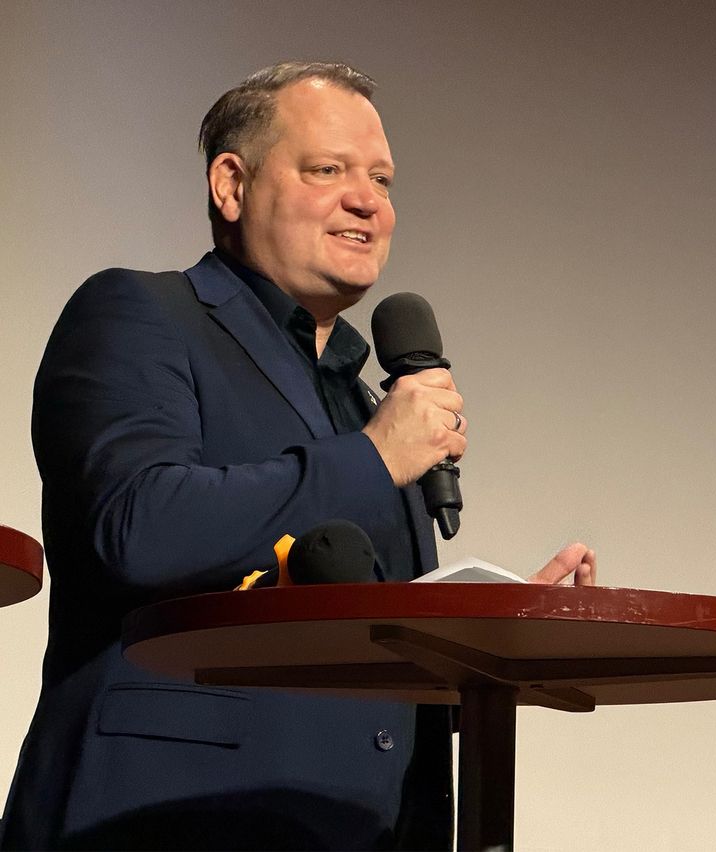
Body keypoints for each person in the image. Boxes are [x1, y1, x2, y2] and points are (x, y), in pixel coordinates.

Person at [1, 61, 595, 850]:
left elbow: (354, 654)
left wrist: (500, 640)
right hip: (173, 817)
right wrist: (374, 458)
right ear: (230, 184)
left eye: (382, 179)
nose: (368, 200)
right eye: (328, 170)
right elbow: (137, 525)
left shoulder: (361, 398)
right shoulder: (141, 315)